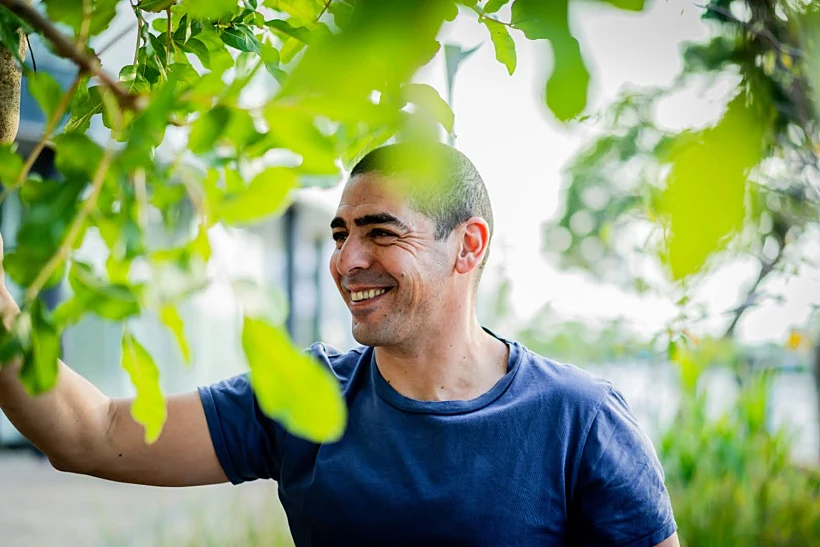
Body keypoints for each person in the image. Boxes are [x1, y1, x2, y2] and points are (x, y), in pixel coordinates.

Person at [0, 143, 679, 546]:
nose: (346, 259)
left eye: (381, 232)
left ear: (467, 245)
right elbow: (93, 431)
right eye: (338, 233)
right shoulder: (304, 396)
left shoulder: (579, 418)